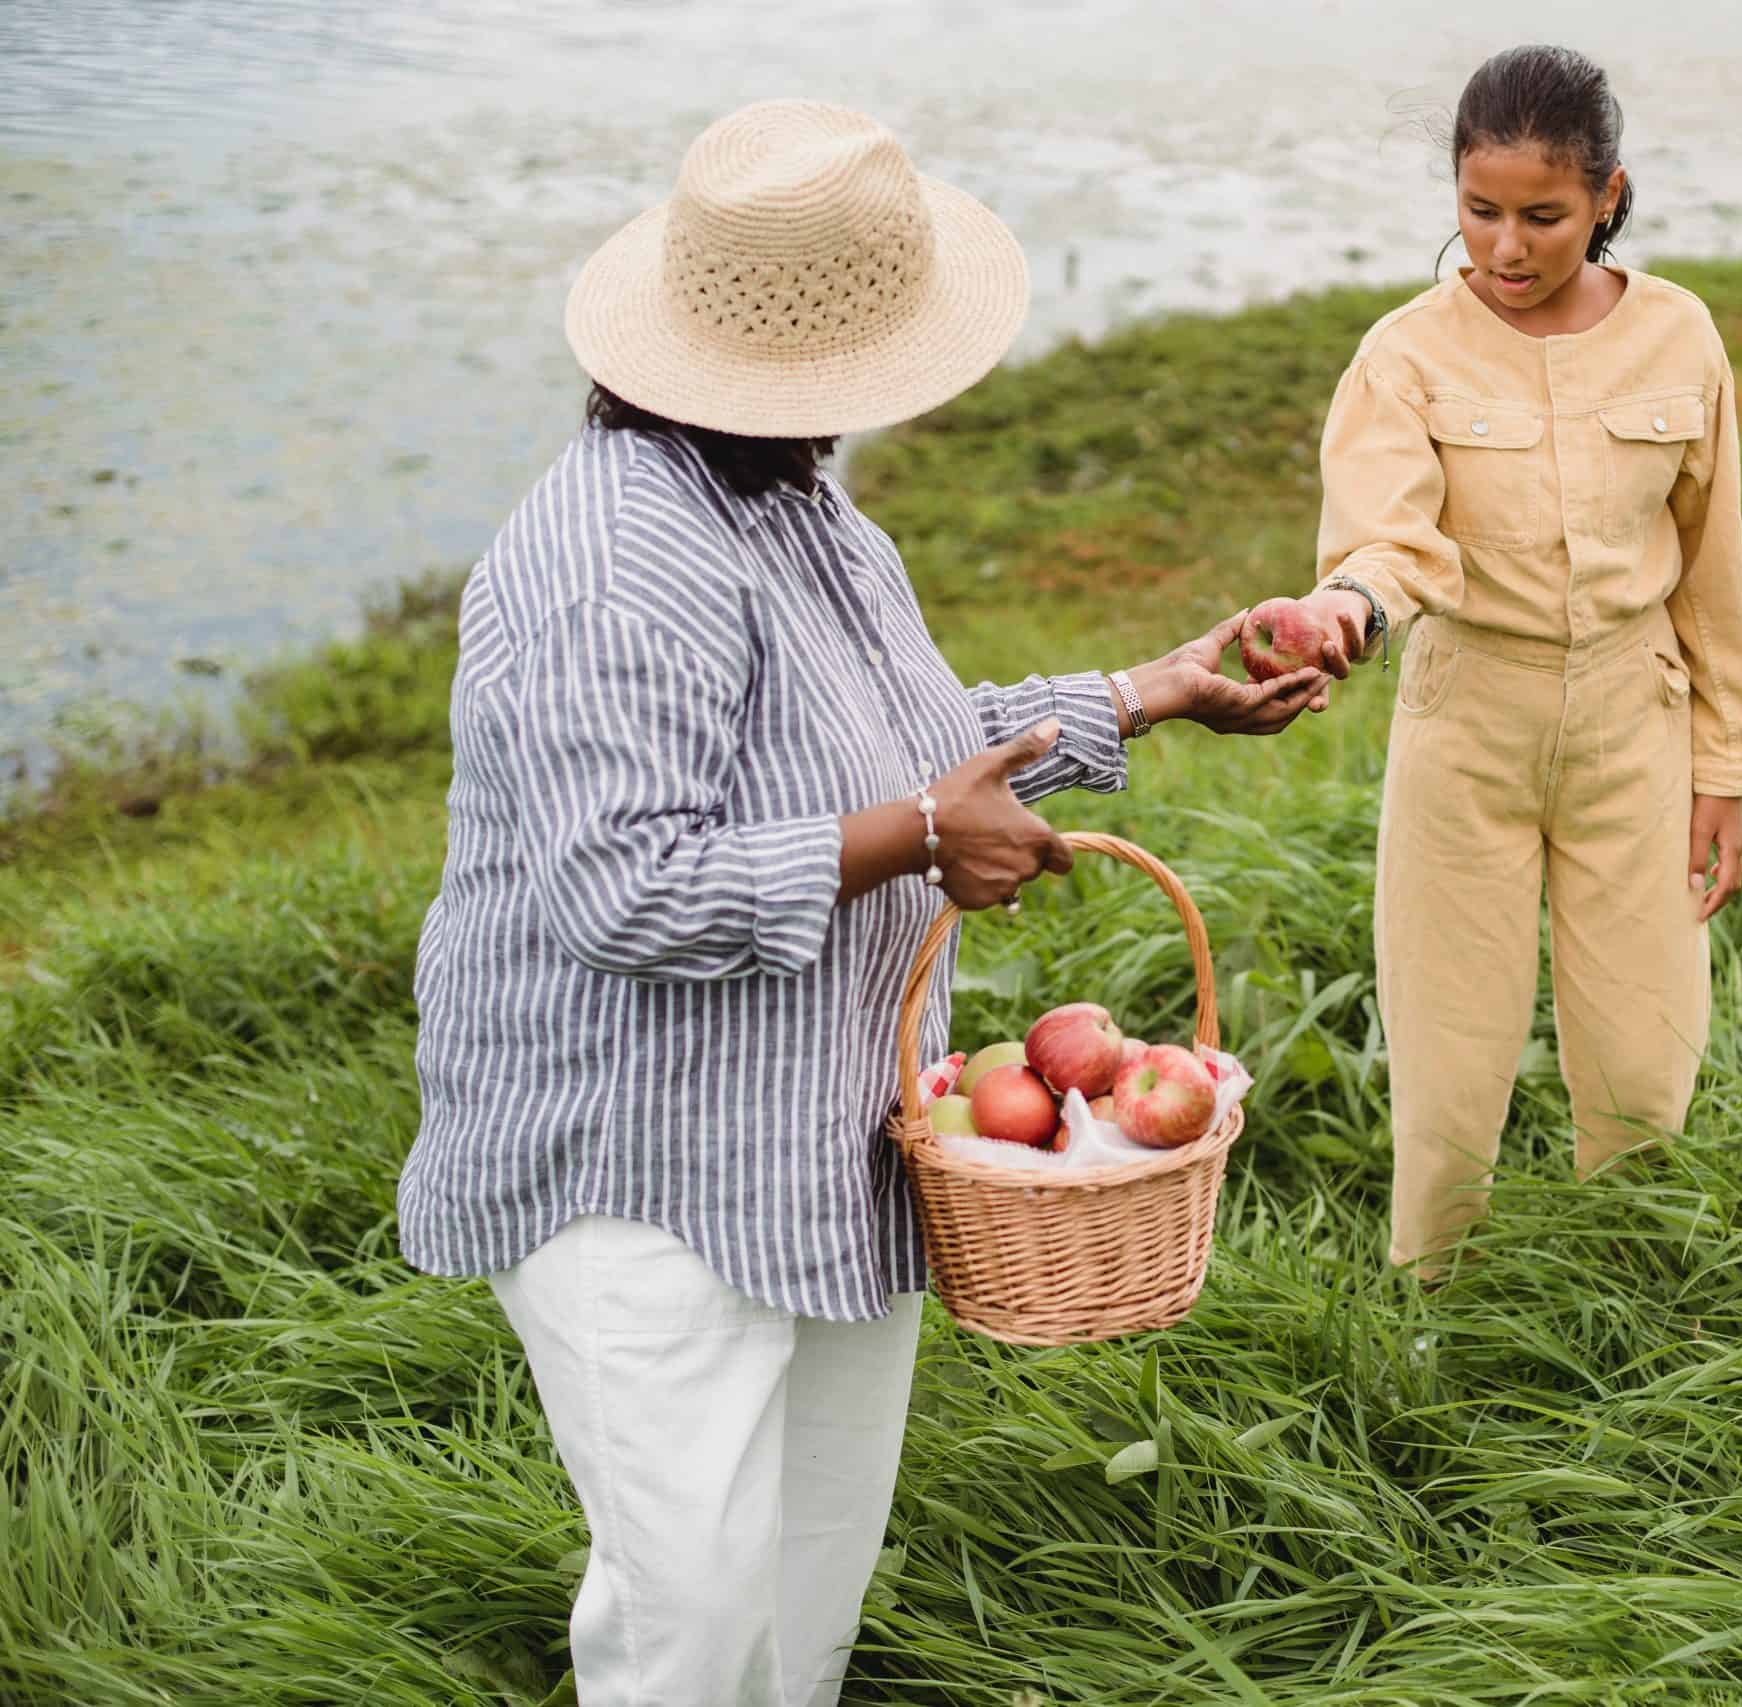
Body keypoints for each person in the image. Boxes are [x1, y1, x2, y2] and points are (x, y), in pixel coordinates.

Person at [392, 99, 1326, 1706]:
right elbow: (625, 885)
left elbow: (903, 741)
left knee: (809, 1570)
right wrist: (910, 838)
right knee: (688, 1626)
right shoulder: (615, 556)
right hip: (644, 1175)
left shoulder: (796, 505)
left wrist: (1145, 691)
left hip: (818, 1133)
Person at [1294, 44, 1742, 1275]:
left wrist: (1726, 768)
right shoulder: (1401, 355)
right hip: (1467, 728)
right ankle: (1430, 1322)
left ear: (1608, 195)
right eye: (1479, 212)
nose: (1506, 249)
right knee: (1450, 1080)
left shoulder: (1680, 336)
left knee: (1645, 1069)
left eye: (1543, 217)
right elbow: (1385, 539)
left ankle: (1632, 1308)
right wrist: (1343, 609)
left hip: (1637, 723)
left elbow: (1712, 568)